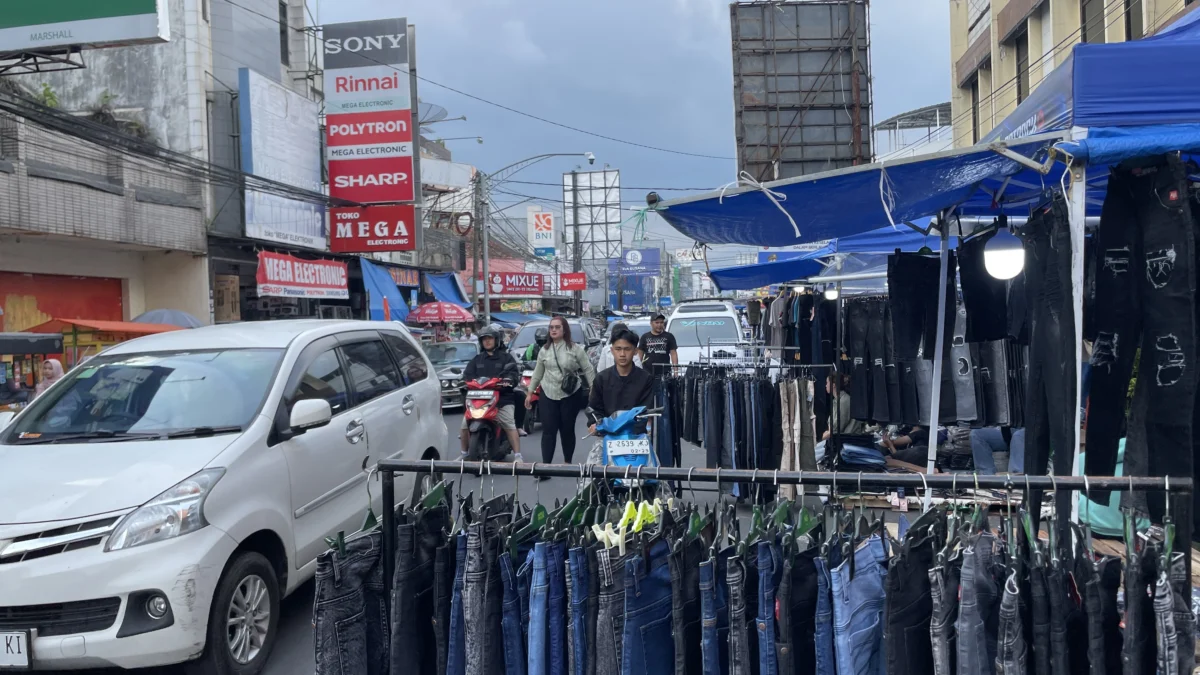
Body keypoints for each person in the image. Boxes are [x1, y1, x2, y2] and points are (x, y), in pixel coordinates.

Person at [526, 316, 596, 472]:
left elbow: (588, 369)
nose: (554, 330)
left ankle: (567, 462)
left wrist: (593, 388)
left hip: (570, 394)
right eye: (551, 327)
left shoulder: (575, 348)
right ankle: (545, 467)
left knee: (567, 429)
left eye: (557, 327)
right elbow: (538, 372)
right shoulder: (544, 350)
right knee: (548, 430)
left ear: (564, 330)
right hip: (548, 393)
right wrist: (530, 392)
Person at [460, 326, 521, 460]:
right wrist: (464, 382)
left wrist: (508, 381)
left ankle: (518, 455)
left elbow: (514, 375)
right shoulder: (477, 360)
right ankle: (464, 454)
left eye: (490, 338)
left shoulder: (506, 358)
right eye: (484, 339)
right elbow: (467, 375)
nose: (487, 342)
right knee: (464, 425)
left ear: (496, 340)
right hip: (479, 400)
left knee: (509, 423)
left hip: (502, 400)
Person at [588, 328, 655, 435]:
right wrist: (597, 424)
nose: (622, 354)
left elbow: (644, 411)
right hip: (607, 435)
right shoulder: (601, 378)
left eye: (627, 349)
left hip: (635, 436)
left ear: (635, 351)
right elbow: (594, 408)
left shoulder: (646, 379)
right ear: (612, 350)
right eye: (618, 349)